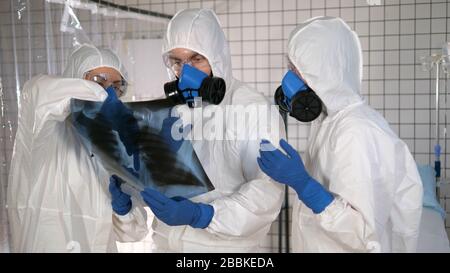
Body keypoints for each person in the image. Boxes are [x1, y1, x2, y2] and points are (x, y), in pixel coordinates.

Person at [257, 17, 423, 252]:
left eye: (298, 70)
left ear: (326, 71)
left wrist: (303, 184)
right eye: (290, 67)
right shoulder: (328, 120)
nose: (289, 79)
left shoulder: (357, 131)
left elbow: (363, 235)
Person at [140, 8, 285, 252]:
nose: (186, 73)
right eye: (177, 61)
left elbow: (267, 191)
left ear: (217, 56)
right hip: (165, 245)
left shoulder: (252, 108)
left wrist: (204, 215)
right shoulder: (170, 110)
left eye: (197, 59)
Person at [7, 44, 148, 252]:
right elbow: (38, 92)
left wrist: (125, 210)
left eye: (116, 86)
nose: (109, 91)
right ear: (72, 80)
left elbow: (132, 233)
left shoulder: (112, 145)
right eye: (98, 81)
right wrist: (98, 96)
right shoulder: (43, 132)